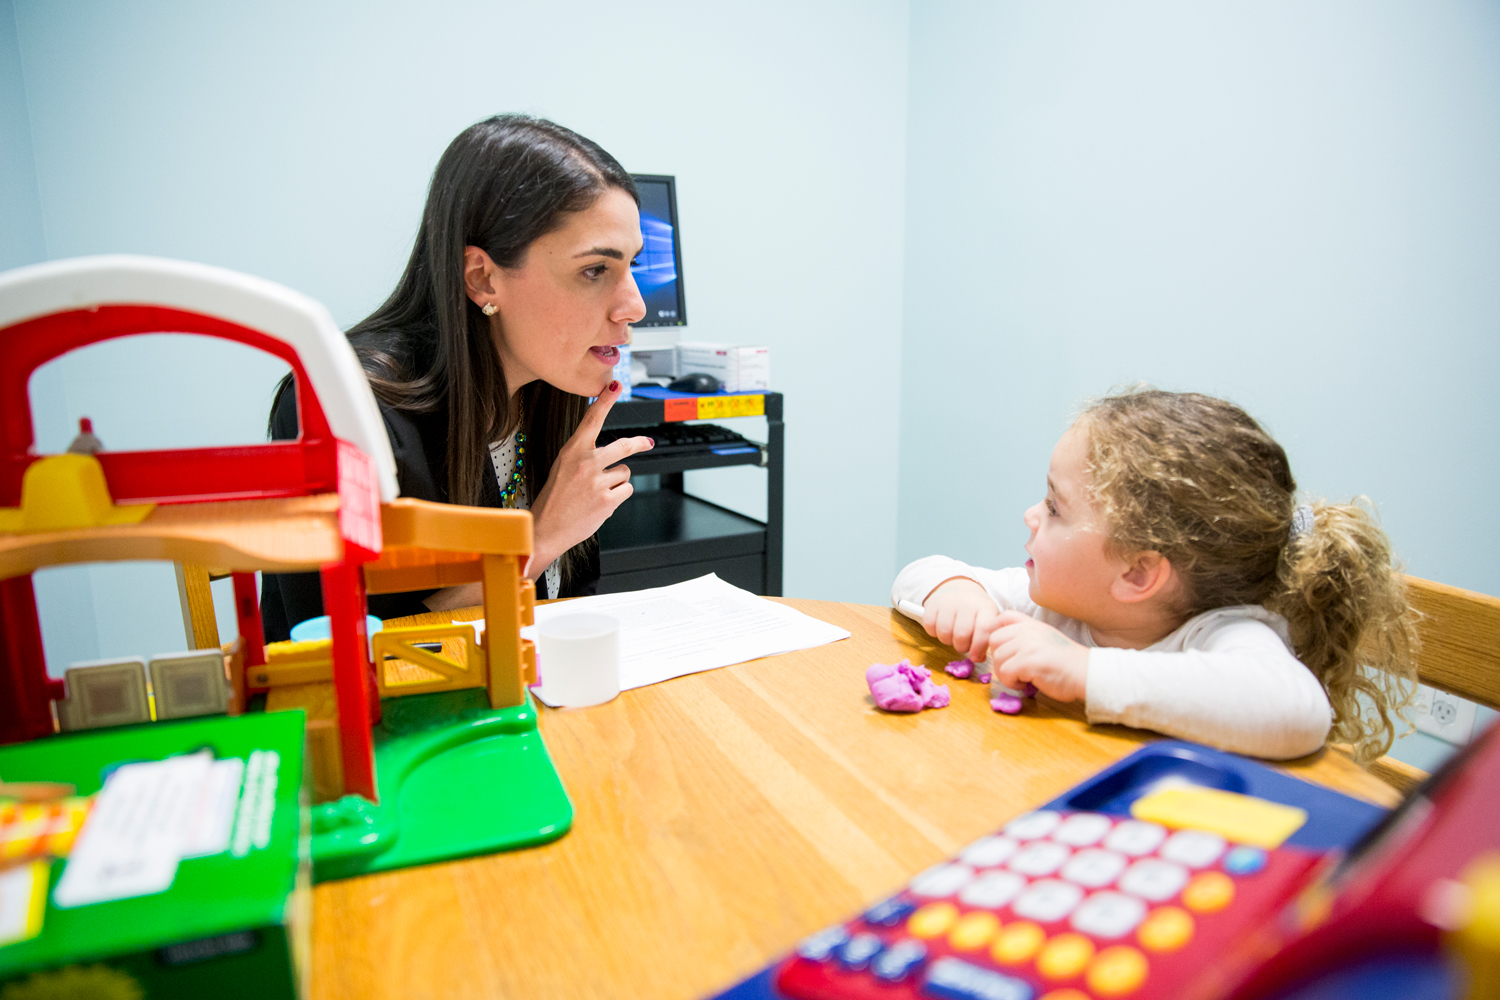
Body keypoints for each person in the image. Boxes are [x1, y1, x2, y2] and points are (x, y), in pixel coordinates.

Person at [260, 114, 655, 642]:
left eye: (632, 265)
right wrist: (538, 539)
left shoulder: (550, 391)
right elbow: (347, 653)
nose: (635, 306)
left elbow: (568, 604)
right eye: (594, 270)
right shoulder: (339, 407)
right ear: (482, 278)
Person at [891, 387, 1417, 761]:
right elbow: (920, 573)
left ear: (1138, 574)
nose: (1031, 514)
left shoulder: (1226, 634)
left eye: (1054, 507)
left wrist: (1084, 671)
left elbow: (1296, 712)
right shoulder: (1053, 604)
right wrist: (957, 593)